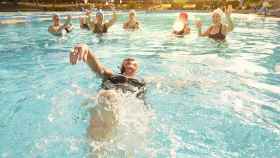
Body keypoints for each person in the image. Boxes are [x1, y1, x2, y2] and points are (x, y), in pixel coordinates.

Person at [69, 43, 146, 140]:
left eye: (134, 63)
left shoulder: (142, 81)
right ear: (122, 67)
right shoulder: (112, 75)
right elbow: (98, 68)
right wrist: (87, 51)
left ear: (136, 68)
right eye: (127, 62)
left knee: (108, 97)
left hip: (127, 106)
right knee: (108, 96)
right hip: (105, 100)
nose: (130, 62)